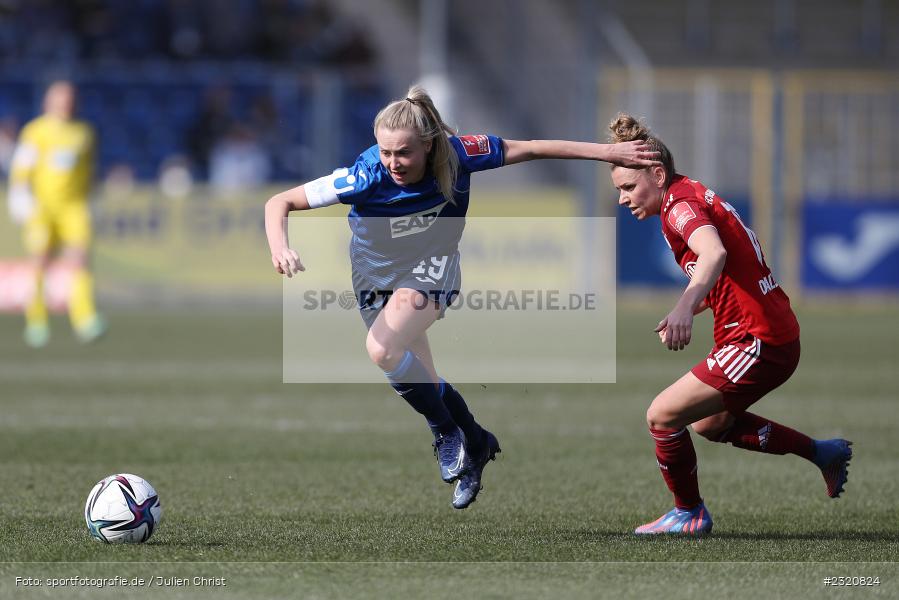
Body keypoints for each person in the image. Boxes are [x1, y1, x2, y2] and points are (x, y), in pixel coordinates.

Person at [264, 86, 660, 509]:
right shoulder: (365, 175)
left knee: (381, 348)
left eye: (403, 153)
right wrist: (279, 247)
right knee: (422, 379)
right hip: (372, 278)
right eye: (385, 152)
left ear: (429, 145)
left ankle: (445, 431)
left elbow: (530, 148)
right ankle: (475, 442)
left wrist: (607, 153)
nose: (393, 163)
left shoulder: (459, 155)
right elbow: (280, 201)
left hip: (431, 267)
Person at [607, 113, 852, 535]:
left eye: (629, 187)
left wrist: (685, 307)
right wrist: (688, 306)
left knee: (662, 415)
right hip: (765, 333)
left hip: (758, 339)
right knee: (710, 423)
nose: (623, 198)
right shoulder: (687, 194)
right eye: (618, 190)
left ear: (658, 174)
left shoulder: (679, 206)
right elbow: (725, 271)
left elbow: (714, 254)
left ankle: (690, 513)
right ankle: (822, 453)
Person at [7, 80, 106, 347]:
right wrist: (20, 196)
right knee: (40, 261)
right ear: (48, 101)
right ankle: (37, 319)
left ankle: (84, 318)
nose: (66, 103)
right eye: (61, 97)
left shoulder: (84, 133)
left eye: (70, 97)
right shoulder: (36, 131)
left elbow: (88, 171)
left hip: (73, 207)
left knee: (80, 260)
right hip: (43, 207)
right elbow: (22, 168)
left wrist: (92, 200)